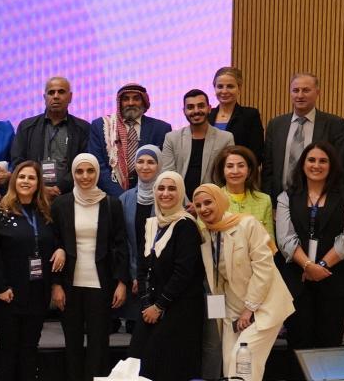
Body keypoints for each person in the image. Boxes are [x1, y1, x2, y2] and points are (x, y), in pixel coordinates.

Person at [193, 183, 292, 381]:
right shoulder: (206, 235)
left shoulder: (247, 224)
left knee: (243, 362)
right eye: (198, 205)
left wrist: (249, 308)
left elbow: (264, 268)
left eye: (208, 202)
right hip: (233, 308)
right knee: (230, 363)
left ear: (220, 201)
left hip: (264, 306)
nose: (203, 209)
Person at [276, 142, 344, 351]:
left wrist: (321, 266)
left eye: (323, 161)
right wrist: (308, 266)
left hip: (335, 279)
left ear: (332, 165)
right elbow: (285, 238)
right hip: (296, 280)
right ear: (302, 164)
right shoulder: (287, 196)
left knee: (329, 343)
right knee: (299, 343)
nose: (316, 165)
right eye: (311, 160)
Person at [51, 154, 128, 381]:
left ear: (97, 173)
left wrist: (122, 282)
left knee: (99, 345)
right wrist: (55, 285)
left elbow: (121, 245)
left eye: (90, 171)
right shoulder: (61, 204)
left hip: (101, 285)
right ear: (73, 174)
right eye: (79, 171)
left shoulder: (111, 204)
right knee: (72, 344)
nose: (85, 176)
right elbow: (54, 243)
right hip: (69, 285)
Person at [129, 172, 203, 381]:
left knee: (165, 367)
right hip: (151, 307)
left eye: (172, 189)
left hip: (179, 308)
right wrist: (147, 304)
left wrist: (159, 306)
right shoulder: (151, 224)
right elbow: (142, 267)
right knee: (136, 361)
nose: (165, 193)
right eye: (161, 188)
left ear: (181, 193)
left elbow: (183, 273)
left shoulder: (186, 225)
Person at [0, 161, 55, 381]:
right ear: (14, 180)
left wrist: (61, 250)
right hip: (8, 294)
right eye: (22, 177)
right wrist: (0, 287)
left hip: (37, 291)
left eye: (31, 178)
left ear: (38, 183)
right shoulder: (0, 212)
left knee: (30, 349)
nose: (26, 181)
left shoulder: (46, 212)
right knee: (8, 351)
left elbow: (54, 242)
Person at [263, 73, 344, 191]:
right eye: (295, 90)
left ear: (317, 92)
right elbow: (268, 167)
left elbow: (338, 165)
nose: (300, 95)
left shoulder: (334, 124)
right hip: (279, 197)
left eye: (306, 90)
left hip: (320, 196)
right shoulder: (276, 124)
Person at [88, 84, 173, 197]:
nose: (131, 103)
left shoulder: (161, 129)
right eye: (126, 99)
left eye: (136, 99)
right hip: (109, 197)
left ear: (144, 102)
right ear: (119, 103)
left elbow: (163, 167)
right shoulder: (102, 126)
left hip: (148, 195)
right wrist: (121, 196)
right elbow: (97, 164)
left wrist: (140, 194)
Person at [11, 77, 91, 196]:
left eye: (61, 92)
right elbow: (18, 162)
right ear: (45, 97)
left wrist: (60, 188)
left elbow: (84, 164)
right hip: (32, 195)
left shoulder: (83, 128)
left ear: (70, 97)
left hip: (69, 195)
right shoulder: (26, 127)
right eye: (51, 92)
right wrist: (39, 187)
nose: (56, 96)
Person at [160, 89, 234, 190]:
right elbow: (168, 175)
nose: (196, 111)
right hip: (179, 197)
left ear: (209, 108)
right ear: (184, 111)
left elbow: (228, 175)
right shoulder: (172, 138)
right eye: (190, 107)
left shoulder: (226, 138)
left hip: (213, 197)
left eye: (201, 106)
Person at [117, 146, 162, 298]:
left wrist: (145, 276)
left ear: (159, 165)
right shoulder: (124, 199)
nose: (145, 167)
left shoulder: (168, 197)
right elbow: (123, 242)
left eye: (151, 162)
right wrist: (134, 274)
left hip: (161, 278)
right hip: (131, 278)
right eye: (140, 161)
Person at [214, 146, 275, 244]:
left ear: (249, 170)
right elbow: (205, 240)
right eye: (230, 166)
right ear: (222, 171)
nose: (235, 171)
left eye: (241, 166)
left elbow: (270, 243)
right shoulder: (211, 199)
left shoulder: (264, 200)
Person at [210, 67, 267, 168]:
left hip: (238, 173)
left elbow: (256, 154)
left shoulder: (250, 116)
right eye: (220, 86)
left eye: (230, 86)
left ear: (239, 88)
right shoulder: (207, 116)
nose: (224, 91)